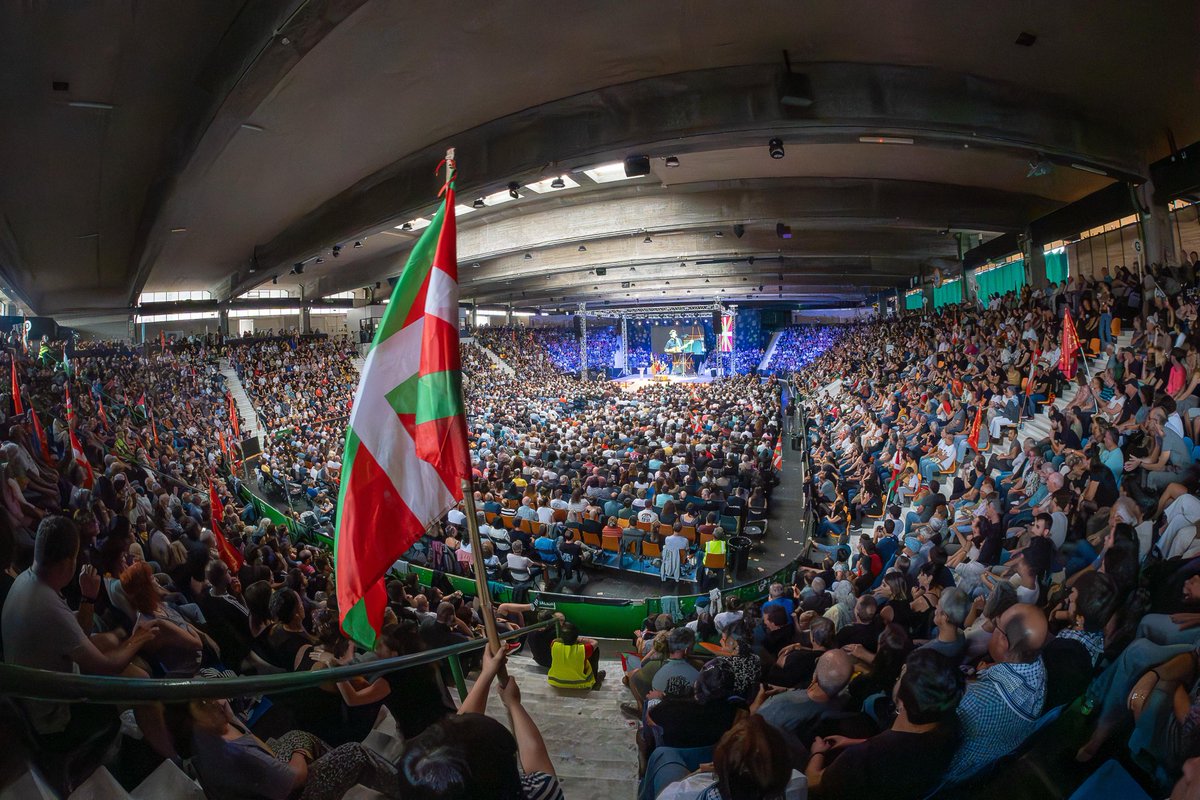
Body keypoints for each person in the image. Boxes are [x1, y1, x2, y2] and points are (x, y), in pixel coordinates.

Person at [2, 515, 176, 761]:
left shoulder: (27, 580)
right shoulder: (46, 604)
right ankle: (173, 758)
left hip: (41, 690)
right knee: (142, 684)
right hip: (54, 719)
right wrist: (139, 638)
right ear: (67, 563)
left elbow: (74, 632)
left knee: (110, 641)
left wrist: (88, 598)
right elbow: (107, 665)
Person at [398, 645, 563, 799]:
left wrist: (486, 673)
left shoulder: (420, 789)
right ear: (503, 772)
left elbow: (458, 733)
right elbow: (539, 764)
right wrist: (514, 704)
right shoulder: (537, 793)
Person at [806, 649, 964, 797]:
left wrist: (818, 753)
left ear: (902, 703)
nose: (898, 677)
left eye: (901, 677)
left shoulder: (866, 757)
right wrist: (850, 742)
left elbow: (812, 783)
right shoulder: (950, 725)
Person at [946, 603, 1048, 782]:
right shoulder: (1037, 666)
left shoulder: (978, 699)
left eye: (996, 625)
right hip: (991, 762)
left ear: (1004, 641)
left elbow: (941, 735)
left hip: (953, 771)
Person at [547, 621, 605, 690]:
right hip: (580, 684)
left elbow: (556, 640)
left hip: (555, 682)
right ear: (576, 637)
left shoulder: (554, 644)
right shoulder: (583, 649)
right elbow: (595, 642)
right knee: (595, 650)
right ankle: (595, 682)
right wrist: (580, 639)